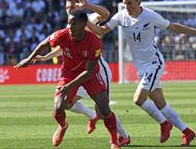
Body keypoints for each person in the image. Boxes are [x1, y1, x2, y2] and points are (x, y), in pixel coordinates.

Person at [86, 0, 196, 146]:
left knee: (138, 99)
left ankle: (164, 123)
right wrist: (84, 21)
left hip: (154, 63)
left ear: (139, 2)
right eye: (125, 3)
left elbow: (173, 27)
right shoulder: (121, 16)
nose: (127, 6)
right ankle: (187, 132)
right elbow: (101, 31)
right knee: (161, 104)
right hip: (142, 68)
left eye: (130, 3)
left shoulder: (150, 15)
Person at [32, 0, 130, 146]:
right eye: (67, 8)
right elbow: (62, 49)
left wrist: (87, 6)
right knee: (67, 104)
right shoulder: (69, 26)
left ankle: (123, 136)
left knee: (102, 108)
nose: (69, 10)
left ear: (78, 6)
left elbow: (105, 14)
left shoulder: (87, 19)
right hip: (78, 72)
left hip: (97, 69)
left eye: (72, 7)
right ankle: (91, 116)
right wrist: (46, 57)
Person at [14, 10, 121, 149]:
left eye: (73, 23)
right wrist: (29, 59)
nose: (69, 26)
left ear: (83, 24)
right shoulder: (63, 34)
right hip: (68, 74)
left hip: (90, 76)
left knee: (103, 107)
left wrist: (69, 87)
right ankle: (63, 126)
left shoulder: (94, 42)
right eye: (69, 22)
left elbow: (88, 72)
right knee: (58, 107)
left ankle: (114, 141)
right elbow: (44, 44)